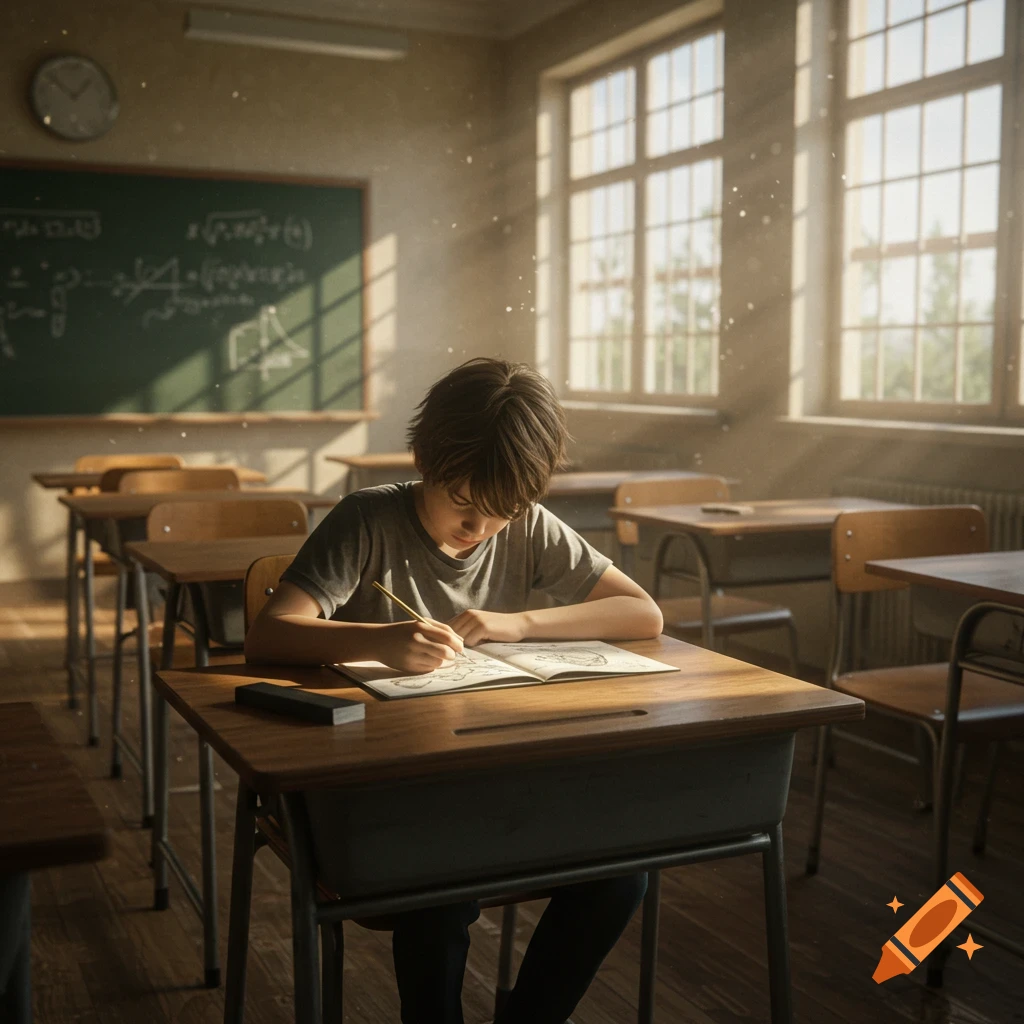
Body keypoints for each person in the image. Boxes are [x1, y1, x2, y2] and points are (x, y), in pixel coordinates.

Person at [246, 357, 663, 1024]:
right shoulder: (368, 520)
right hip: (390, 788)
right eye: (463, 504)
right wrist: (378, 641)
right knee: (443, 883)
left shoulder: (525, 523)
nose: (478, 530)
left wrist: (519, 621)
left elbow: (642, 614)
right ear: (425, 459)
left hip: (495, 772)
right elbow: (270, 635)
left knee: (621, 876)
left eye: (500, 513)